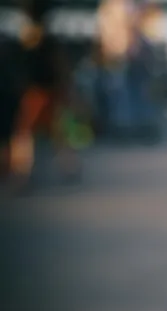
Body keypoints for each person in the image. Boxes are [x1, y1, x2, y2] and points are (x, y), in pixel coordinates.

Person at [9, 0, 80, 191]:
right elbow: (61, 67)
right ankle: (69, 167)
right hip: (49, 90)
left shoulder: (29, 38)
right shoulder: (47, 38)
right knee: (56, 132)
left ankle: (22, 174)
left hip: (37, 92)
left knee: (25, 133)